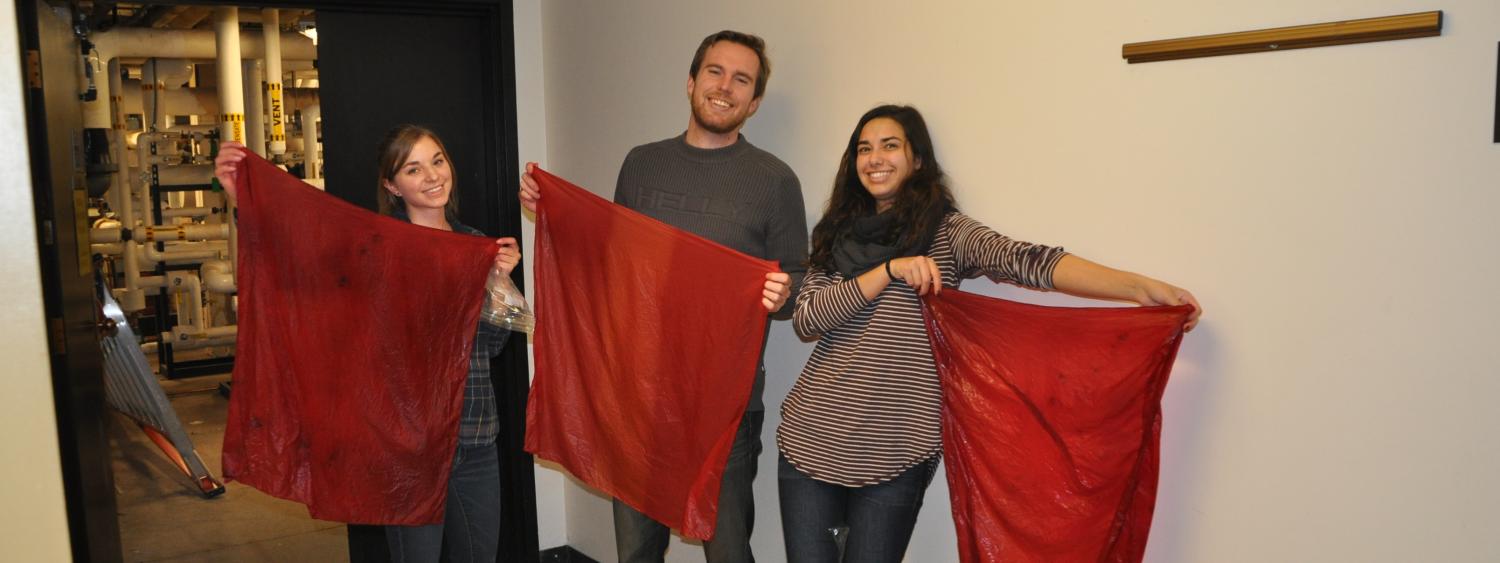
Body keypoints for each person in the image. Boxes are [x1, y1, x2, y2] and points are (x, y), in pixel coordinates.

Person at [777, 104, 1202, 563]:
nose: (874, 158)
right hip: (810, 441)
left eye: (890, 145)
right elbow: (809, 318)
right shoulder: (836, 233)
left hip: (899, 452)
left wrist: (1139, 288)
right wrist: (888, 270)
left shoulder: (946, 233)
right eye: (864, 148)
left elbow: (1030, 261)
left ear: (917, 159)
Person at [519, 30, 808, 563]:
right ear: (691, 82)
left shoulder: (775, 181)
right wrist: (552, 209)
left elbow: (796, 289)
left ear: (755, 101)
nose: (725, 87)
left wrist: (783, 291)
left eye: (742, 79)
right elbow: (614, 264)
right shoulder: (642, 164)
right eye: (715, 72)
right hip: (639, 398)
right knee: (636, 552)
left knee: (727, 552)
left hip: (727, 406)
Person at [214, 124, 522, 563]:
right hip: (405, 445)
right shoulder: (374, 249)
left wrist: (497, 281)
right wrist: (244, 199)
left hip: (473, 435)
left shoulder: (476, 246)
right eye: (413, 169)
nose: (433, 176)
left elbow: (490, 348)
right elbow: (296, 261)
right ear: (392, 185)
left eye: (437, 161)